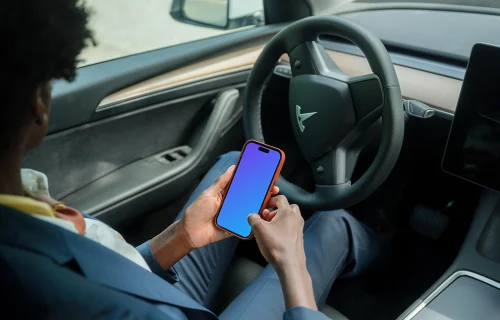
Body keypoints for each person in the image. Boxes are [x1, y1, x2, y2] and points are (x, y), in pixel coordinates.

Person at [0, 1, 380, 319]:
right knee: (332, 223)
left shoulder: (25, 209)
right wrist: (291, 263)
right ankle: (393, 268)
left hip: (140, 280)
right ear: (39, 105)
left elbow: (101, 264)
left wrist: (181, 235)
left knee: (231, 164)